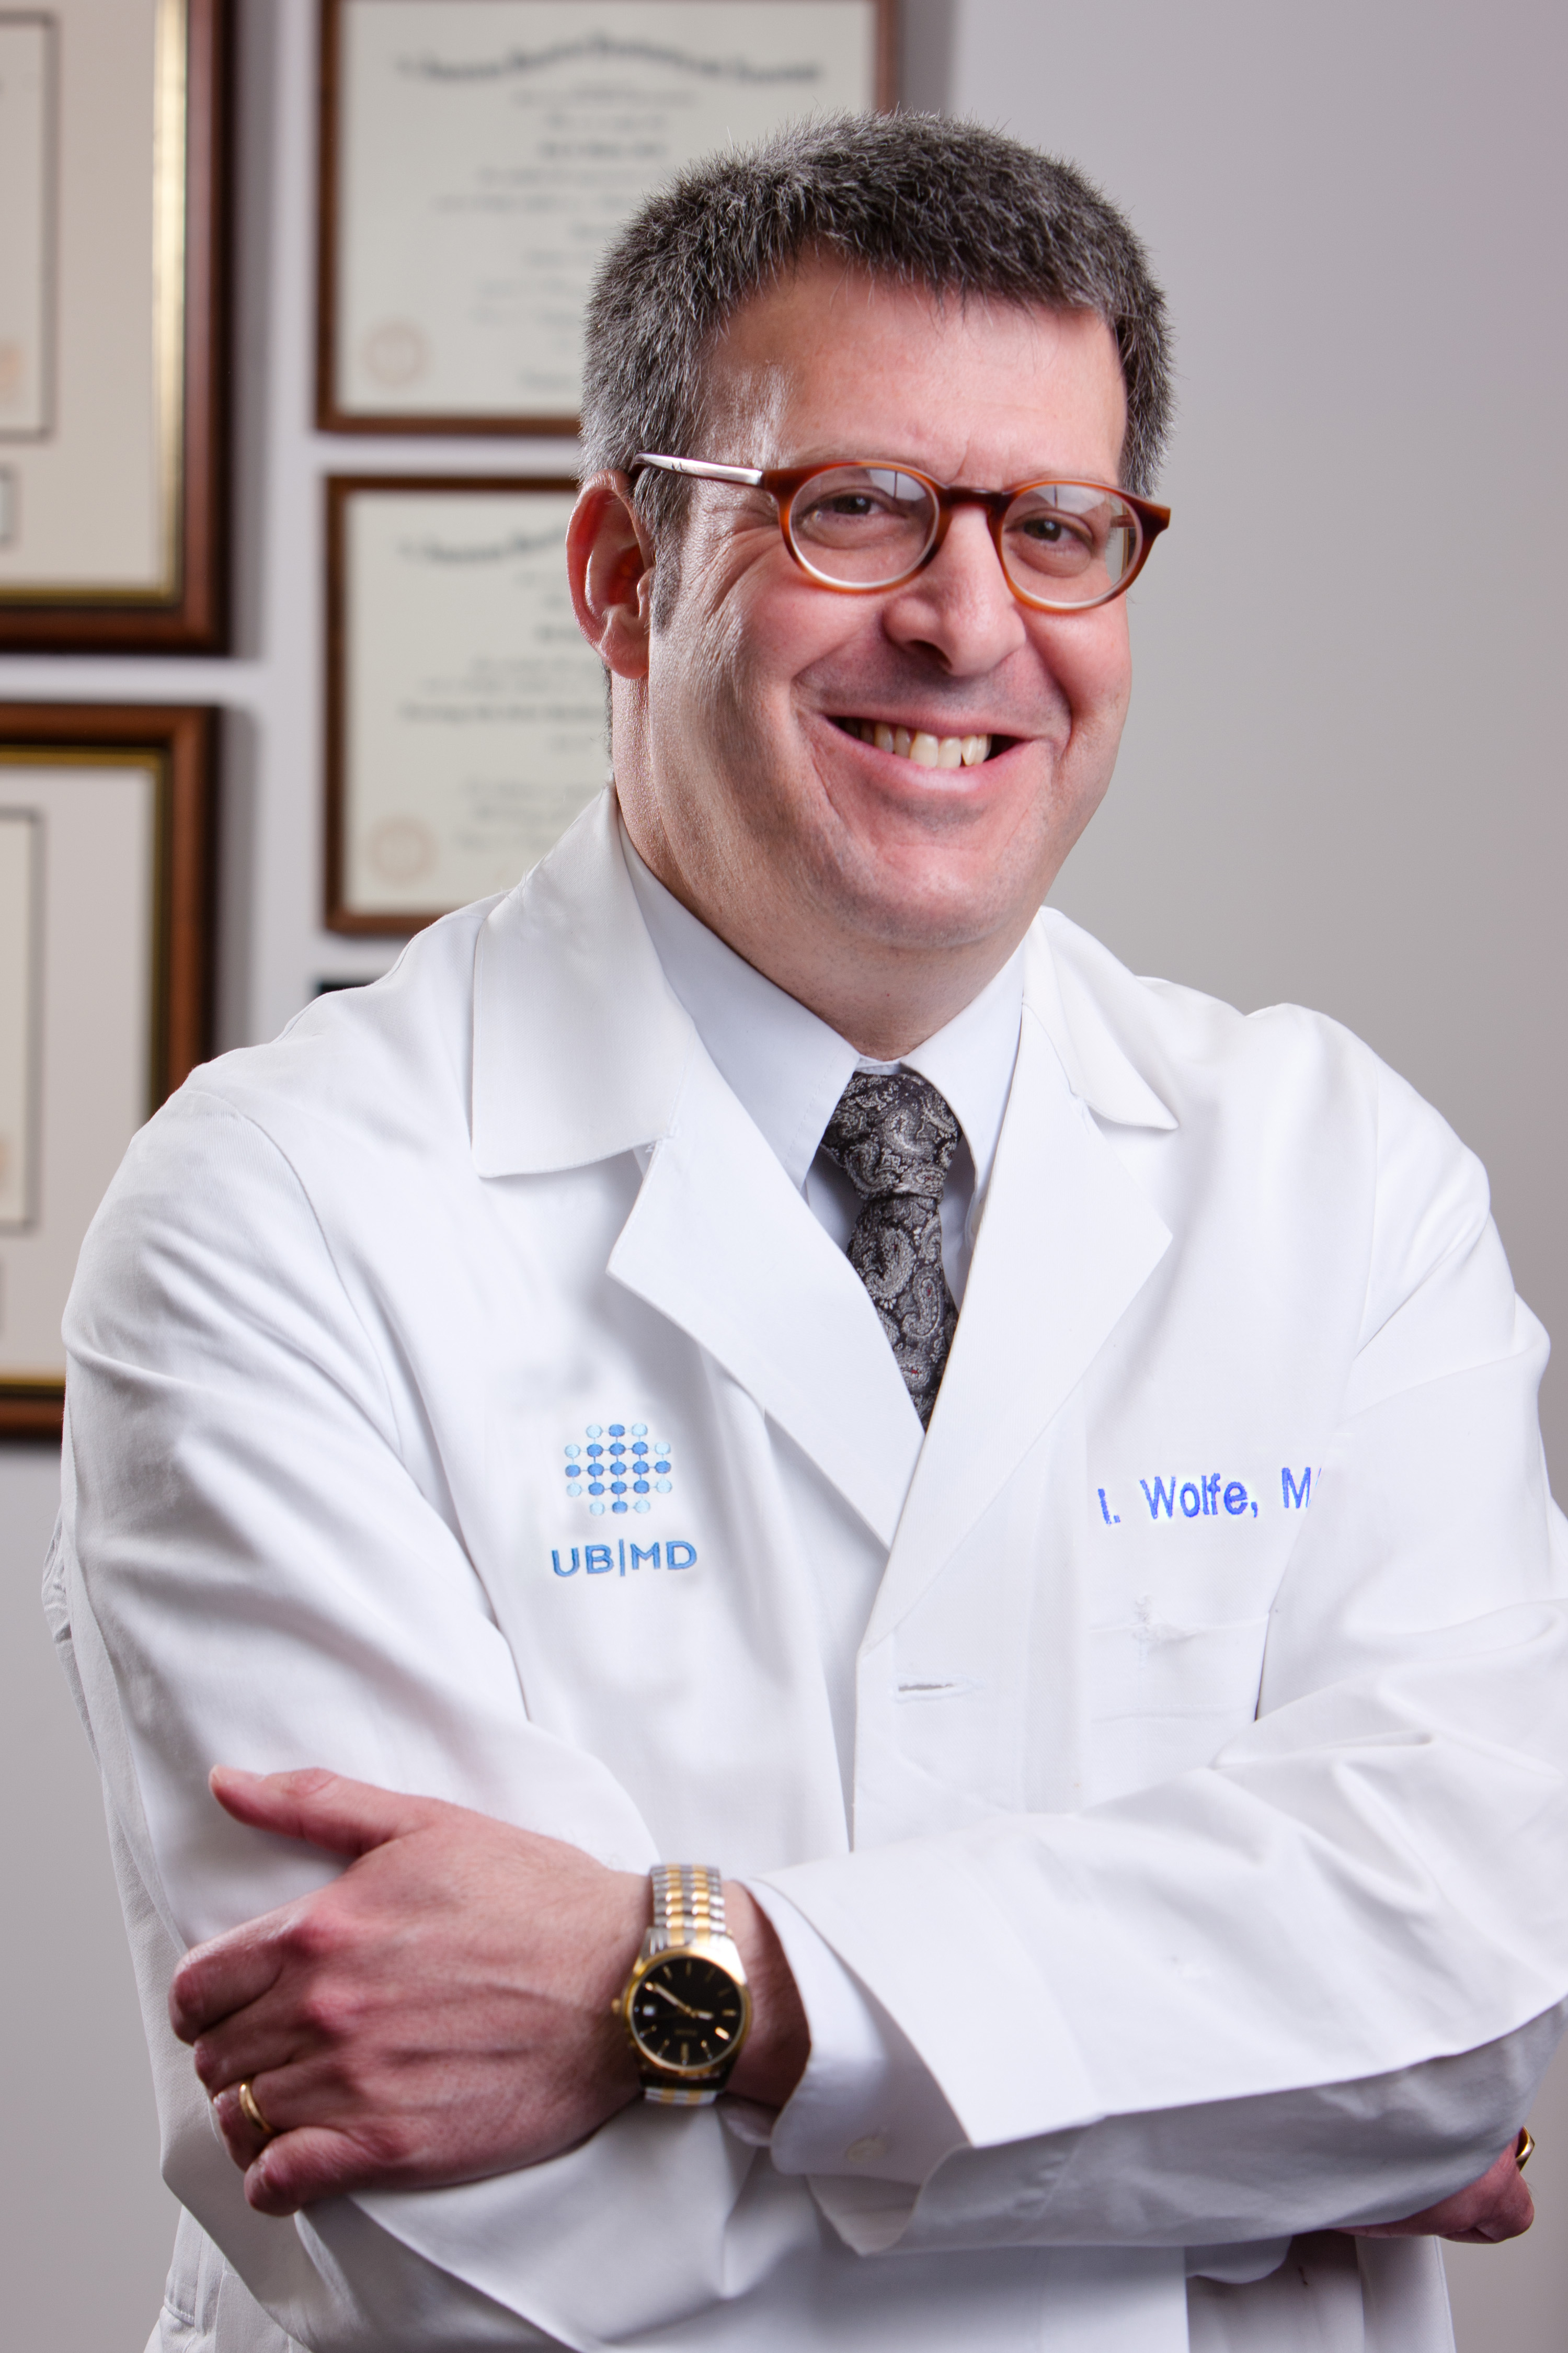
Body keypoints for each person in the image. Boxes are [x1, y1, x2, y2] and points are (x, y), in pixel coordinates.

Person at [49, 114, 1568, 2353]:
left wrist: (688, 1982)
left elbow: (1468, 2003)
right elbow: (444, 2228)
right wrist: (1256, 2124)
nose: (969, 622)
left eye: (1057, 527)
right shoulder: (272, 1209)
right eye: (854, 506)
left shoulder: (1342, 1178)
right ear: (621, 572)